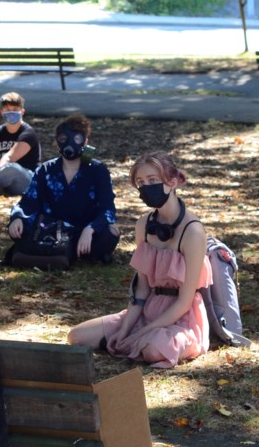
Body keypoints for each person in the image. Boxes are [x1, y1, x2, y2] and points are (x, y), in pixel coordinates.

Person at [67, 151, 212, 368]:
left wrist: (144, 332)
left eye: (153, 180)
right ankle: (133, 341)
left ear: (171, 182)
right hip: (149, 308)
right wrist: (125, 329)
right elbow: (142, 290)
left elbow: (184, 302)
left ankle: (144, 342)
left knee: (153, 350)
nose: (146, 187)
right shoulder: (143, 225)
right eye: (141, 182)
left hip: (182, 318)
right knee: (77, 336)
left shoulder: (193, 231)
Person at [8, 114, 119, 264]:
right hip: (51, 230)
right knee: (18, 229)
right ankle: (64, 252)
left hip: (85, 232)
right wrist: (18, 218)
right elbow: (28, 202)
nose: (71, 143)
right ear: (56, 141)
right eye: (63, 138)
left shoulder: (97, 170)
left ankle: (52, 253)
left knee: (110, 233)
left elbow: (108, 209)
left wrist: (91, 229)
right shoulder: (46, 170)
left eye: (78, 139)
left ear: (86, 142)